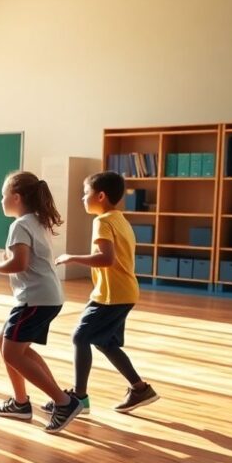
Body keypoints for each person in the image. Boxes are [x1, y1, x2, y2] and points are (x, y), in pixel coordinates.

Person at [48, 171, 160, 414]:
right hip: (122, 292)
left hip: (111, 295)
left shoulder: (103, 222)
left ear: (100, 195)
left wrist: (71, 257)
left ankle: (79, 397)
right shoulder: (120, 219)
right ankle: (140, 388)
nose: (82, 199)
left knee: (80, 337)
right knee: (105, 343)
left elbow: (106, 259)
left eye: (85, 193)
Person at [0, 171, 83, 433]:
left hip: (35, 298)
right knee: (6, 342)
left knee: (12, 351)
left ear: (15, 198)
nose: (0, 200)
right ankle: (20, 403)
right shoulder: (35, 221)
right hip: (44, 297)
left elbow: (20, 263)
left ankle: (63, 402)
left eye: (3, 195)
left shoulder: (20, 225)